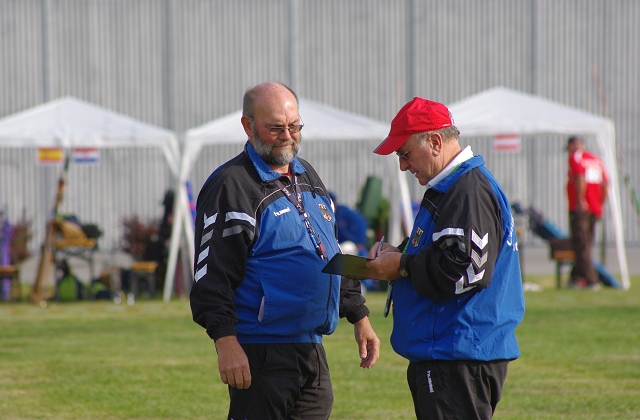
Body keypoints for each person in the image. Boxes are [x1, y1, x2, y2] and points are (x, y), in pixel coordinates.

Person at [189, 81, 380, 420]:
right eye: (275, 128)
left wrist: (359, 314)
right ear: (248, 126)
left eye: (295, 126)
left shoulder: (307, 175)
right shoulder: (231, 185)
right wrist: (225, 342)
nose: (288, 136)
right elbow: (211, 276)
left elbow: (329, 251)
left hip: (312, 348)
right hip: (261, 351)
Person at [365, 97, 525, 419]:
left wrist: (402, 265)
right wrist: (401, 252)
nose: (403, 165)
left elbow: (467, 270)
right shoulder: (455, 187)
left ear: (435, 142)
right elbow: (448, 252)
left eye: (405, 154)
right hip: (452, 352)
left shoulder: (467, 190)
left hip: (457, 354)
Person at [565, 136, 609, 290]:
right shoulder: (596, 160)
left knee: (581, 245)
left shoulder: (576, 157)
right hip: (594, 208)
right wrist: (600, 205)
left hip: (581, 209)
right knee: (586, 244)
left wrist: (580, 199)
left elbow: (579, 177)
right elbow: (605, 184)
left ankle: (592, 280)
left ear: (572, 145)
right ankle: (576, 278)